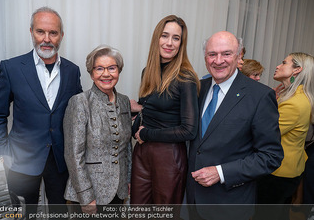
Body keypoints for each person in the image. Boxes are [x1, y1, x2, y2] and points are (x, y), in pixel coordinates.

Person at [0, 6, 82, 214]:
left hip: (60, 162)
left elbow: (80, 113)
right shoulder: (11, 68)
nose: (46, 38)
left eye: (53, 33)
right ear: (31, 32)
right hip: (20, 162)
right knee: (23, 214)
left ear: (61, 36)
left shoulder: (72, 71)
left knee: (61, 214)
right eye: (41, 31)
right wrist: (3, 152)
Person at [186, 31, 283, 220]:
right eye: (212, 54)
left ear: (239, 57)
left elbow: (271, 156)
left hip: (229, 203)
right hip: (193, 200)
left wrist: (221, 172)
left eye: (226, 54)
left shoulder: (260, 96)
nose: (218, 60)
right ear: (205, 58)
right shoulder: (198, 88)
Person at [130, 15, 200, 205]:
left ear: (181, 44)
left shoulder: (186, 78)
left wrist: (148, 133)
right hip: (142, 152)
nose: (169, 43)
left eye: (176, 38)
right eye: (165, 36)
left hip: (168, 157)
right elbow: (148, 112)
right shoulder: (148, 71)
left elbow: (189, 130)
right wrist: (133, 110)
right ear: (156, 38)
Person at [63, 45, 132, 214]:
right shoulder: (80, 102)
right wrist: (86, 196)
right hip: (90, 193)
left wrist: (128, 180)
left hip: (118, 190)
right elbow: (73, 155)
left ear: (119, 71)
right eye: (99, 68)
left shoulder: (123, 101)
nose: (106, 74)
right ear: (92, 73)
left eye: (112, 68)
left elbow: (127, 147)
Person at [255, 52, 314, 220]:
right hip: (288, 168)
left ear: (297, 70)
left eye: (284, 63)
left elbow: (266, 132)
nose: (278, 66)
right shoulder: (293, 96)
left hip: (279, 171)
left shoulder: (294, 103)